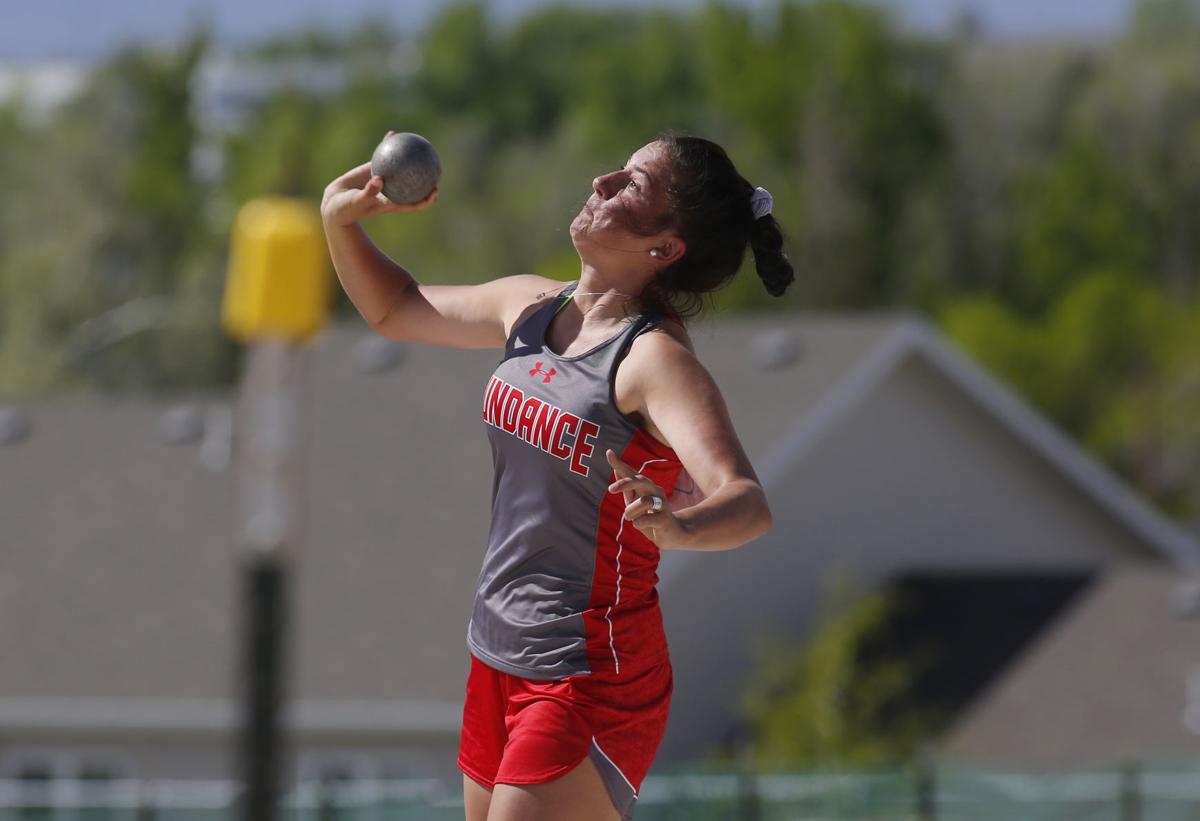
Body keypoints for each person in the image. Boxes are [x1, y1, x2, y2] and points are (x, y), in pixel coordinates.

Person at [321, 131, 794, 821]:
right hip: (499, 648)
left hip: (590, 668)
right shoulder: (533, 307)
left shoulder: (652, 360)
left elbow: (748, 501)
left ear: (663, 248)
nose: (602, 181)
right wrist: (339, 224)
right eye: (616, 170)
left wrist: (677, 524)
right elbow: (396, 308)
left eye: (633, 184)